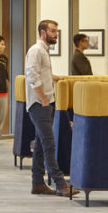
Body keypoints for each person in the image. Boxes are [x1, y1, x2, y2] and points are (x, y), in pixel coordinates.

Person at [25, 20, 74, 198]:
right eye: (53, 31)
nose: (56, 35)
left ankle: (38, 183)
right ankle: (61, 184)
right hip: (39, 105)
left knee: (40, 144)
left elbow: (41, 73)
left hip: (45, 103)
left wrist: (56, 78)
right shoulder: (36, 50)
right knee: (49, 144)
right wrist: (44, 99)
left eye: (57, 31)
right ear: (43, 32)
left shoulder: (44, 51)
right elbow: (31, 76)